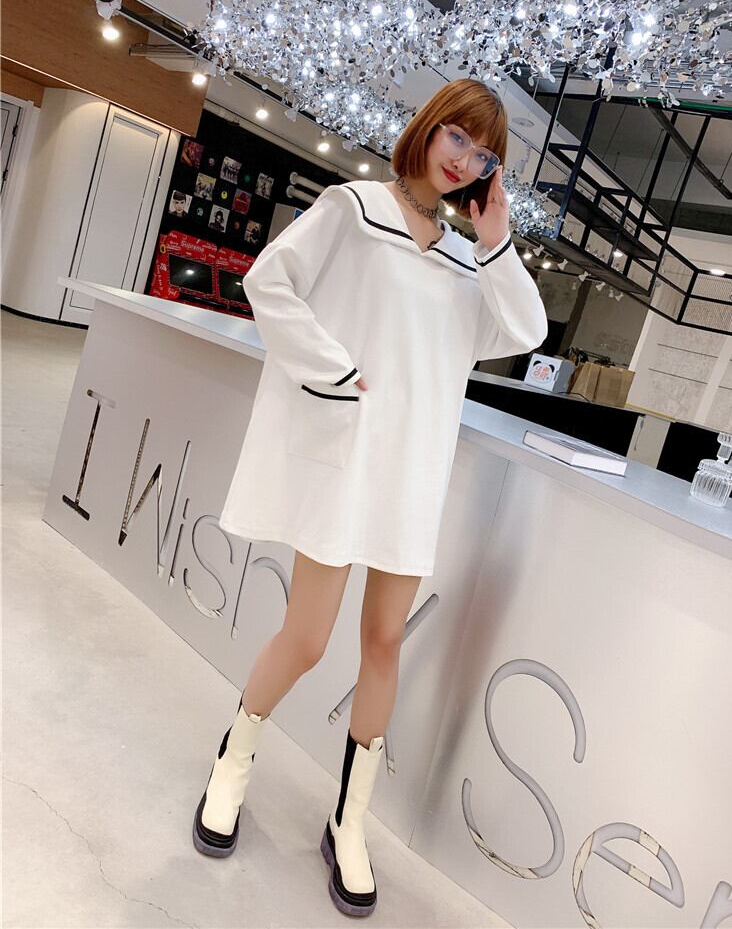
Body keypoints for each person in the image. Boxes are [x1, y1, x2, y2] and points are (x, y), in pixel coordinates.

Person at [192, 79, 548, 917]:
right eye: (457, 137)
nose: (464, 160)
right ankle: (230, 764)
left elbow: (527, 331)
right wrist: (334, 371)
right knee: (309, 637)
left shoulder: (467, 263)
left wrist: (496, 240)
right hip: (347, 463)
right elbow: (269, 281)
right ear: (430, 127)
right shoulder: (354, 209)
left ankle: (348, 821)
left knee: (385, 642)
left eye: (483, 155)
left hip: (411, 475)